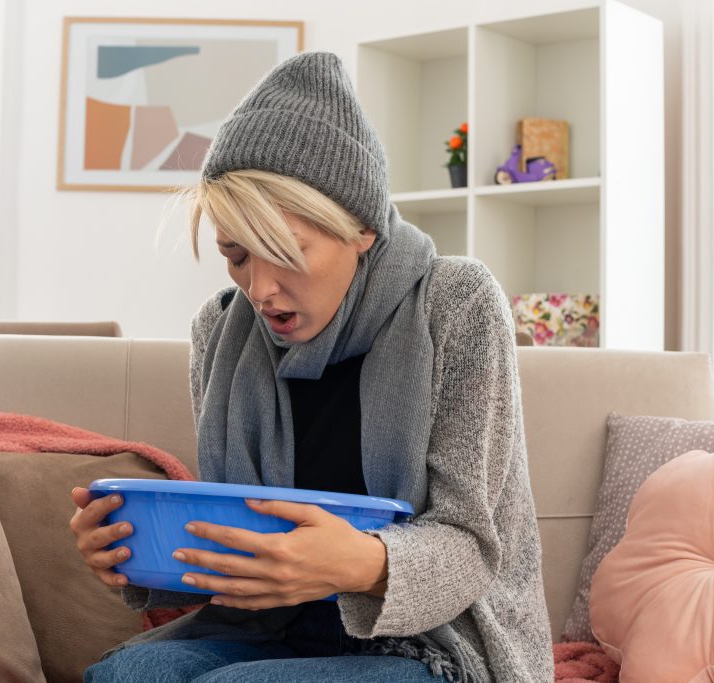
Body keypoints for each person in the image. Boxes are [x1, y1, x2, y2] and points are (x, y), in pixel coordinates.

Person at [69, 51, 553, 683]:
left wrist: (358, 563)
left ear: (362, 230)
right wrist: (133, 554)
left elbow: (471, 544)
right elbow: (239, 541)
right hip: (274, 626)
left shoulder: (455, 305)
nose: (260, 289)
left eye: (286, 253)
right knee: (124, 677)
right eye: (236, 255)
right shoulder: (221, 329)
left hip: (434, 640)